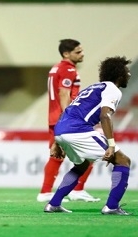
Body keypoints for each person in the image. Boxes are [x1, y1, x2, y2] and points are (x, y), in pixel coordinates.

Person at [44, 56, 132, 215]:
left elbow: (68, 110)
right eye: (127, 71)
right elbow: (105, 116)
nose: (129, 75)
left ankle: (54, 204)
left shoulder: (93, 87)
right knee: (123, 161)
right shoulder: (112, 89)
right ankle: (111, 207)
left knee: (82, 165)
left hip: (62, 129)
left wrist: (57, 141)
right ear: (119, 74)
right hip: (77, 129)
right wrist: (111, 145)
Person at [37, 39, 100, 203]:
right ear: (66, 54)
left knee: (69, 156)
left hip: (56, 116)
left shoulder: (56, 67)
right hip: (64, 118)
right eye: (77, 52)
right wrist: (68, 118)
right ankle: (51, 192)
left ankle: (72, 190)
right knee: (86, 153)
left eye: (82, 50)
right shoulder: (68, 69)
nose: (82, 54)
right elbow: (64, 94)